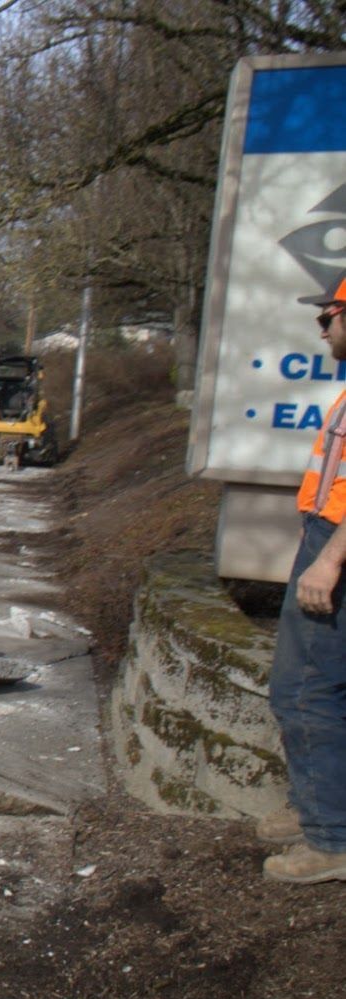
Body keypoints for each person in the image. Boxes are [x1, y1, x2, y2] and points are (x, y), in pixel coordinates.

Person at [256, 272, 346, 883]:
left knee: (305, 689)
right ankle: (321, 809)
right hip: (327, 536)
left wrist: (331, 557)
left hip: (336, 547)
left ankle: (330, 837)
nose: (322, 327)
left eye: (330, 316)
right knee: (321, 684)